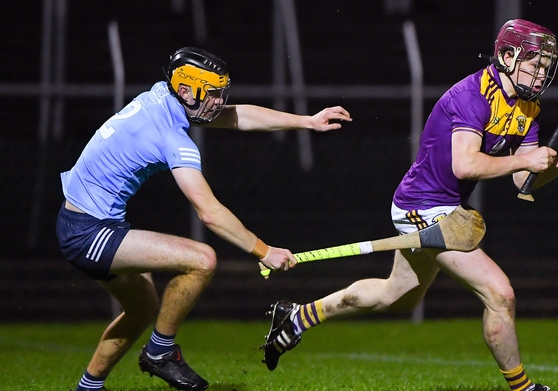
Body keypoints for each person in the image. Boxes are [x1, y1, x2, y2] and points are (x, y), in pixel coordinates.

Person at [258, 20, 558, 391]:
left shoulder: (528, 107)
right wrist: (525, 159)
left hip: (443, 208)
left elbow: (525, 179)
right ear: (507, 57)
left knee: (397, 296)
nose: (540, 75)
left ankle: (296, 317)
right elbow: (466, 165)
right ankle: (523, 388)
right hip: (422, 207)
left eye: (546, 67)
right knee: (500, 294)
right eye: (535, 64)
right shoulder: (473, 96)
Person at [57, 46, 352, 391]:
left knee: (143, 308)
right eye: (212, 94)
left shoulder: (162, 97)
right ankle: (160, 353)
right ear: (185, 91)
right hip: (89, 233)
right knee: (202, 260)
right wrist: (264, 250)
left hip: (84, 222)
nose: (218, 102)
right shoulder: (170, 137)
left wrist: (307, 121)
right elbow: (209, 213)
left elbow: (237, 116)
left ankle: (88, 387)